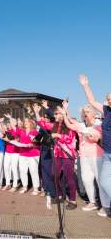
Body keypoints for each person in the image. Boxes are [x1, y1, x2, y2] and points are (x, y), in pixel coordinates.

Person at [61, 103, 111, 215]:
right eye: (84, 112)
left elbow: (95, 138)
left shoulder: (99, 124)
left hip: (96, 155)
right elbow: (69, 124)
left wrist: (86, 132)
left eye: (87, 112)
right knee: (86, 180)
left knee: (100, 180)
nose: (85, 114)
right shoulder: (81, 125)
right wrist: (65, 112)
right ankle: (92, 202)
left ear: (93, 113)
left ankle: (105, 206)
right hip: (84, 156)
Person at [79, 74, 111, 217]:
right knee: (103, 182)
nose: (109, 100)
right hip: (107, 153)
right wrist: (86, 85)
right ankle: (106, 207)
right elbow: (91, 101)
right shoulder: (106, 111)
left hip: (103, 153)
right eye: (108, 98)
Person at [51, 106, 77, 210]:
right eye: (55, 114)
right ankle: (60, 195)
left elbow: (69, 138)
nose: (55, 115)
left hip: (67, 155)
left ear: (63, 114)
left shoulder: (69, 124)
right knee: (54, 175)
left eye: (57, 113)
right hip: (57, 154)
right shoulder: (55, 125)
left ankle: (73, 200)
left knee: (69, 177)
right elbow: (42, 124)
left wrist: (57, 135)